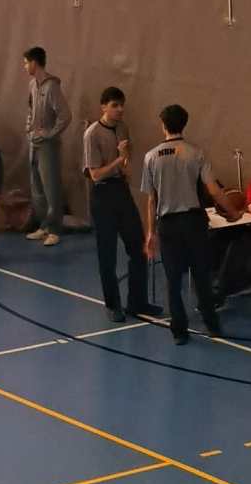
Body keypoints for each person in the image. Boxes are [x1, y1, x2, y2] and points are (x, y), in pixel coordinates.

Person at [142, 104, 236, 344]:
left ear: (163, 125)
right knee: (202, 275)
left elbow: (152, 200)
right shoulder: (196, 153)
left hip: (168, 224)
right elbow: (214, 190)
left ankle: (179, 331)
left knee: (173, 280)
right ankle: (212, 325)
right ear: (184, 124)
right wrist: (233, 212)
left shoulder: (151, 157)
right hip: (194, 222)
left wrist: (151, 232)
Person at [83, 87, 161, 322]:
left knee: (138, 246)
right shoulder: (92, 134)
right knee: (107, 254)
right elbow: (95, 174)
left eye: (121, 105)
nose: (120, 109)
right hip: (102, 195)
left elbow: (127, 160)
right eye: (115, 105)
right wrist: (119, 159)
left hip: (121, 190)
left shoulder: (123, 128)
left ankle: (137, 302)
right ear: (103, 107)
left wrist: (125, 161)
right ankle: (113, 305)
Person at [23, 46, 72, 248]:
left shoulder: (52, 86)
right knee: (37, 188)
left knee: (51, 187)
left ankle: (54, 229)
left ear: (34, 63)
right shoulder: (32, 85)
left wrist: (50, 134)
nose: (25, 66)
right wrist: (29, 130)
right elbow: (30, 110)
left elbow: (65, 115)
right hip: (34, 143)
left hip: (48, 146)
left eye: (26, 62)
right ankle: (43, 225)